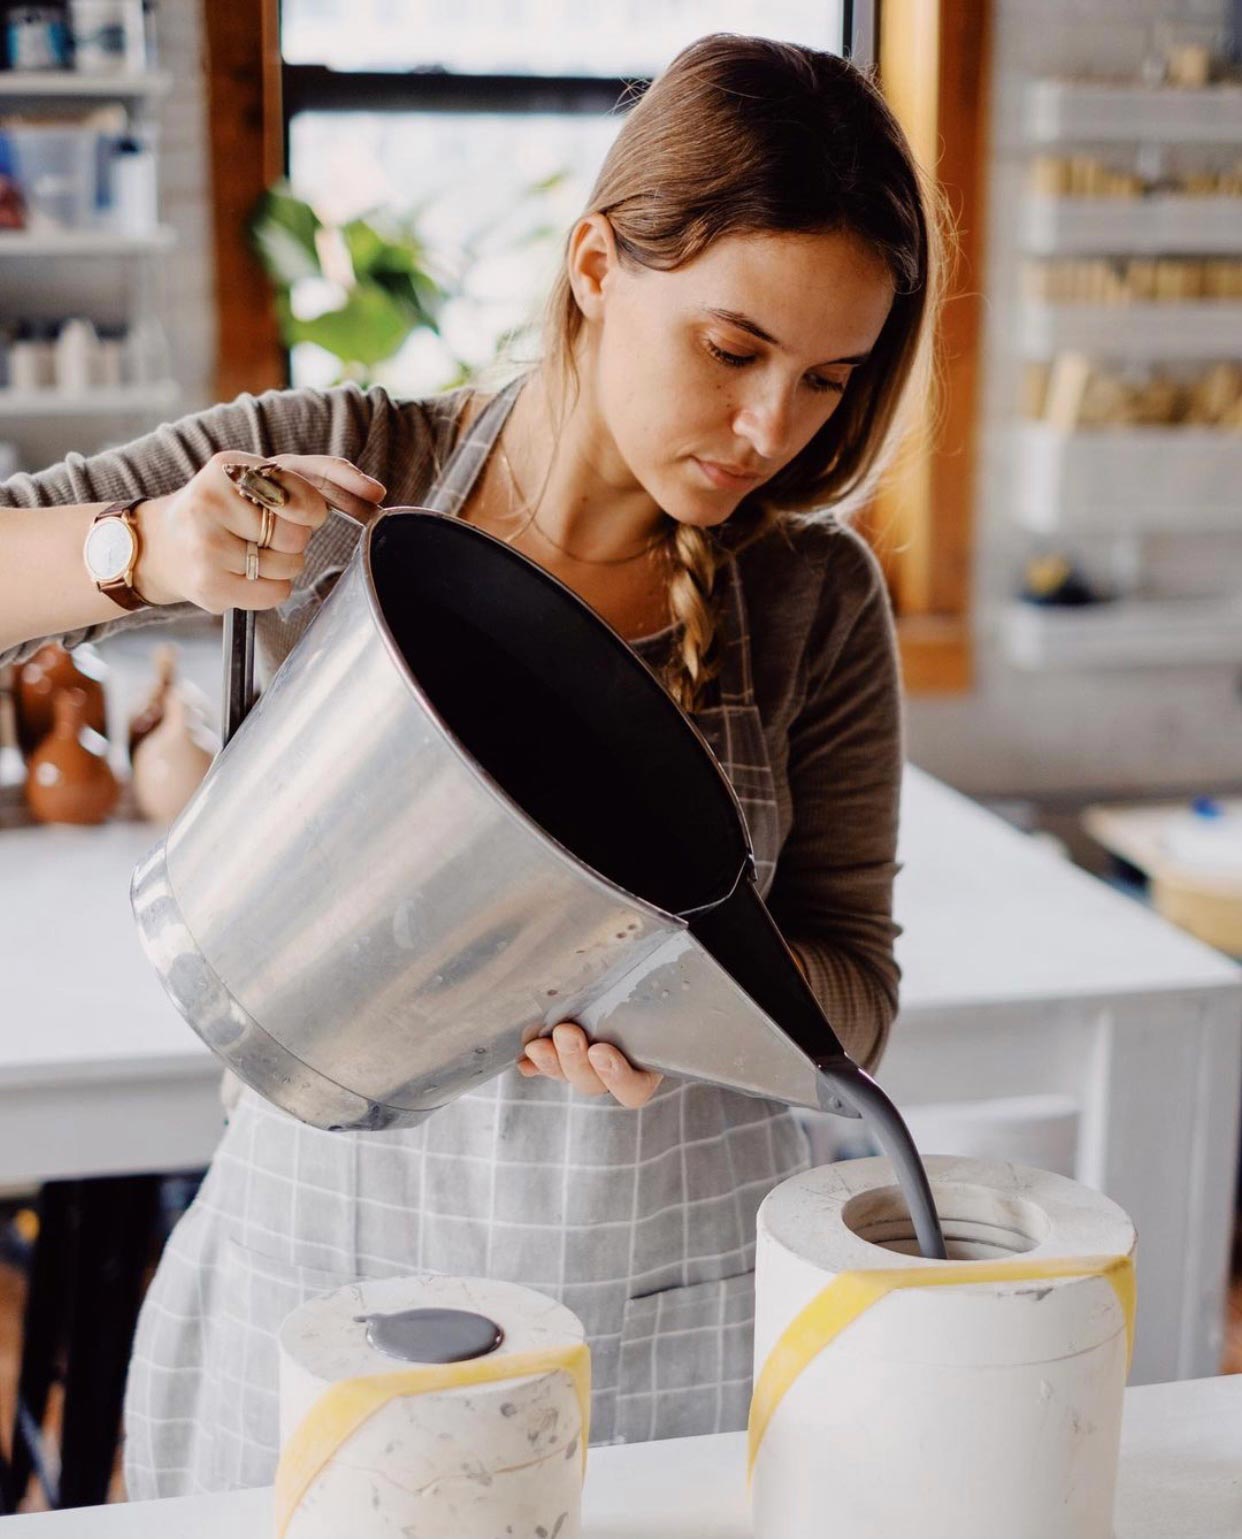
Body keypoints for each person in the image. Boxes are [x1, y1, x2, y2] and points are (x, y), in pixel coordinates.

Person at [0, 33, 946, 1497]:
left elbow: (854, 1003)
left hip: (664, 1342)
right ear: (593, 265)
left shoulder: (811, 602)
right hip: (323, 1306)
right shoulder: (326, 472)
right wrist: (145, 552)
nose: (770, 429)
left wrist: (679, 1001)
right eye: (732, 349)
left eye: (828, 379)